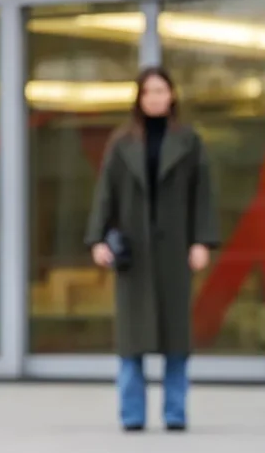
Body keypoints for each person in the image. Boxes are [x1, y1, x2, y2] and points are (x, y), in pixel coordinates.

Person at [85, 66, 220, 432]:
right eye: (148, 92)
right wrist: (97, 238)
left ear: (172, 95)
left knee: (176, 335)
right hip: (134, 252)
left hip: (174, 250)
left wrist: (201, 241)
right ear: (139, 98)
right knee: (131, 338)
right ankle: (132, 414)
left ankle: (175, 413)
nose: (155, 98)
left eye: (161, 91)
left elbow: (202, 196)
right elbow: (105, 194)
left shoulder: (189, 141)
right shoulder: (121, 142)